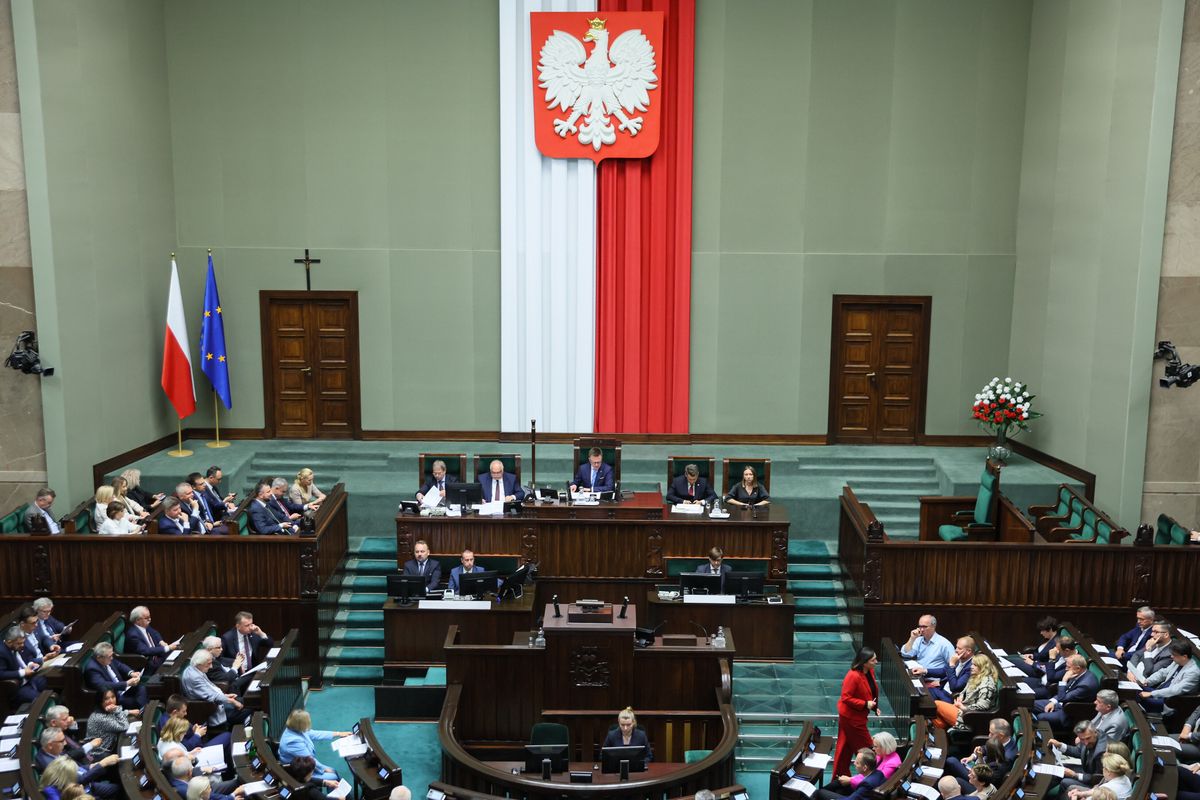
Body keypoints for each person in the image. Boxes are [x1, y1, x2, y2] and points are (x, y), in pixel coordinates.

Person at [832, 647, 878, 780]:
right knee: (868, 749)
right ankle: (872, 778)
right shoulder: (853, 675)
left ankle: (840, 777)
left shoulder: (870, 671)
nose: (876, 661)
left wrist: (875, 707)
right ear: (864, 662)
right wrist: (865, 704)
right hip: (851, 718)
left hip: (858, 716)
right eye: (873, 660)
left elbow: (872, 691)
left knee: (844, 749)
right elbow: (846, 698)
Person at [36, 729, 120, 799]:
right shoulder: (48, 764)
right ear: (50, 745)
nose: (65, 743)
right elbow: (73, 782)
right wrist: (102, 764)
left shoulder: (53, 751)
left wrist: (91, 766)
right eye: (61, 741)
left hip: (87, 784)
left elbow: (75, 767)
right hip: (78, 792)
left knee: (117, 789)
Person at [278, 710, 352, 782]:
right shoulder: (293, 742)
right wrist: (323, 769)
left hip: (304, 764)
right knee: (333, 776)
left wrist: (338, 733)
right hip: (299, 771)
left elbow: (316, 734)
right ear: (300, 724)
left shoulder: (294, 728)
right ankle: (335, 793)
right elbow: (309, 759)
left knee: (333, 772)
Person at [182, 649, 249, 728]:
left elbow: (210, 689)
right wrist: (234, 702)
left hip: (220, 702)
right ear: (199, 663)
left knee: (248, 701)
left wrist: (225, 696)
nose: (211, 666)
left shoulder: (195, 668)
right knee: (251, 706)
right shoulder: (194, 678)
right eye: (209, 664)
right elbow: (213, 697)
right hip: (213, 711)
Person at [934, 654, 999, 731]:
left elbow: (983, 706)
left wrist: (963, 708)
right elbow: (965, 692)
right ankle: (940, 735)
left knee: (935, 704)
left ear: (983, 667)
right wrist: (960, 698)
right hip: (963, 710)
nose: (971, 667)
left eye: (975, 665)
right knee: (935, 717)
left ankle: (938, 734)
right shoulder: (976, 676)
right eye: (972, 664)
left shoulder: (987, 684)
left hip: (968, 717)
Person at [1035, 654, 1099, 729]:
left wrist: (1064, 680)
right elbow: (1067, 691)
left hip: (1070, 712)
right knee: (1032, 704)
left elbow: (1063, 698)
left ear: (1078, 668)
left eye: (1068, 667)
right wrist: (1053, 701)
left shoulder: (1085, 686)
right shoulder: (1078, 673)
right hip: (1062, 703)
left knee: (1041, 717)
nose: (1066, 669)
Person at [1139, 639, 1200, 714]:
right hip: (1160, 692)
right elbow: (1163, 673)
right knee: (1135, 688)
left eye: (1174, 655)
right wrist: (1148, 681)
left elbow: (1176, 690)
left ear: (1184, 657)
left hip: (1169, 702)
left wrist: (1151, 694)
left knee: (1137, 696)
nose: (1171, 656)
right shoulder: (1177, 662)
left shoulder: (1193, 672)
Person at [829, 732, 900, 794]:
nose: (873, 749)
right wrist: (851, 779)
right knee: (838, 786)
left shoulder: (892, 764)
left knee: (836, 788)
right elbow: (867, 773)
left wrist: (850, 780)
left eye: (875, 746)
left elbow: (875, 781)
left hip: (870, 792)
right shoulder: (882, 755)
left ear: (884, 747)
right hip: (865, 785)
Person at [83, 641, 147, 709]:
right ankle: (143, 713)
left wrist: (131, 673)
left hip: (122, 689)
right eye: (110, 656)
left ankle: (144, 710)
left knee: (142, 688)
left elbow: (119, 665)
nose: (112, 658)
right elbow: (104, 685)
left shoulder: (106, 658)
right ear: (99, 657)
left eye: (112, 655)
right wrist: (127, 683)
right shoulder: (92, 669)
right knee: (134, 702)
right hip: (113, 697)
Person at [1050, 721, 1108, 793]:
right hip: (1088, 770)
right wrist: (1059, 745)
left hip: (1097, 784)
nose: (1086, 743)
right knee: (1059, 769)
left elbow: (1099, 778)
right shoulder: (1090, 734)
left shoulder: (1101, 752)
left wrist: (1075, 775)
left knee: (1065, 782)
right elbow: (1079, 751)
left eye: (1088, 738)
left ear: (1095, 733)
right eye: (1082, 739)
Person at [0, 624, 45, 704]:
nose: (22, 645)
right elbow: (1, 673)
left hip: (29, 678)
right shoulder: (2, 652)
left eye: (23, 642)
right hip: (17, 687)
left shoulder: (18, 646)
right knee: (39, 700)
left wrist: (30, 664)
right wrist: (23, 672)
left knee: (48, 682)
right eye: (19, 643)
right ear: (9, 642)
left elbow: (27, 657)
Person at [814, 748, 884, 800]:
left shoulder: (867, 784)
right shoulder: (879, 773)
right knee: (839, 789)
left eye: (857, 763)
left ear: (865, 768)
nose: (854, 764)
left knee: (820, 792)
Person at [220, 611, 274, 676]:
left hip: (253, 672)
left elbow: (270, 644)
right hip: (237, 674)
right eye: (247, 625)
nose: (250, 627)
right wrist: (235, 662)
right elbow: (220, 658)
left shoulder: (254, 633)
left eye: (251, 624)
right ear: (238, 626)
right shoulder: (227, 638)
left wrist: (260, 633)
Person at [126, 604, 178, 672]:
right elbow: (145, 651)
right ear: (137, 620)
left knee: (179, 655)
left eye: (149, 617)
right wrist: (168, 648)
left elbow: (155, 633)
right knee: (175, 666)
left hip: (158, 656)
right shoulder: (133, 635)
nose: (149, 619)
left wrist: (160, 641)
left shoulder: (144, 625)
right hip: (149, 664)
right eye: (146, 618)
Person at [929, 636, 976, 704]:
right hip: (942, 689)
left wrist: (952, 665)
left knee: (926, 694)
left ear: (968, 651)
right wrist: (925, 671)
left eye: (959, 648)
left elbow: (954, 688)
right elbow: (944, 671)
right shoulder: (959, 659)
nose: (956, 650)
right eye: (956, 647)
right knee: (923, 691)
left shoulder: (971, 667)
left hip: (951, 698)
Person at [83, 691, 131, 756]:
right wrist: (117, 710)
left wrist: (128, 712)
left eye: (113, 697)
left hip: (109, 747)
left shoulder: (103, 711)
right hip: (100, 754)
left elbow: (114, 717)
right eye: (106, 699)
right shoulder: (99, 717)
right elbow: (125, 726)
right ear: (100, 701)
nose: (111, 701)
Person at [1065, 753, 1132, 800]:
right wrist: (1082, 794)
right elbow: (1095, 792)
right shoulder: (1125, 778)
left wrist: (1074, 798)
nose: (1102, 769)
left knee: (1071, 791)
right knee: (1072, 788)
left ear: (1108, 772)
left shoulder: (1107, 789)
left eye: (1103, 767)